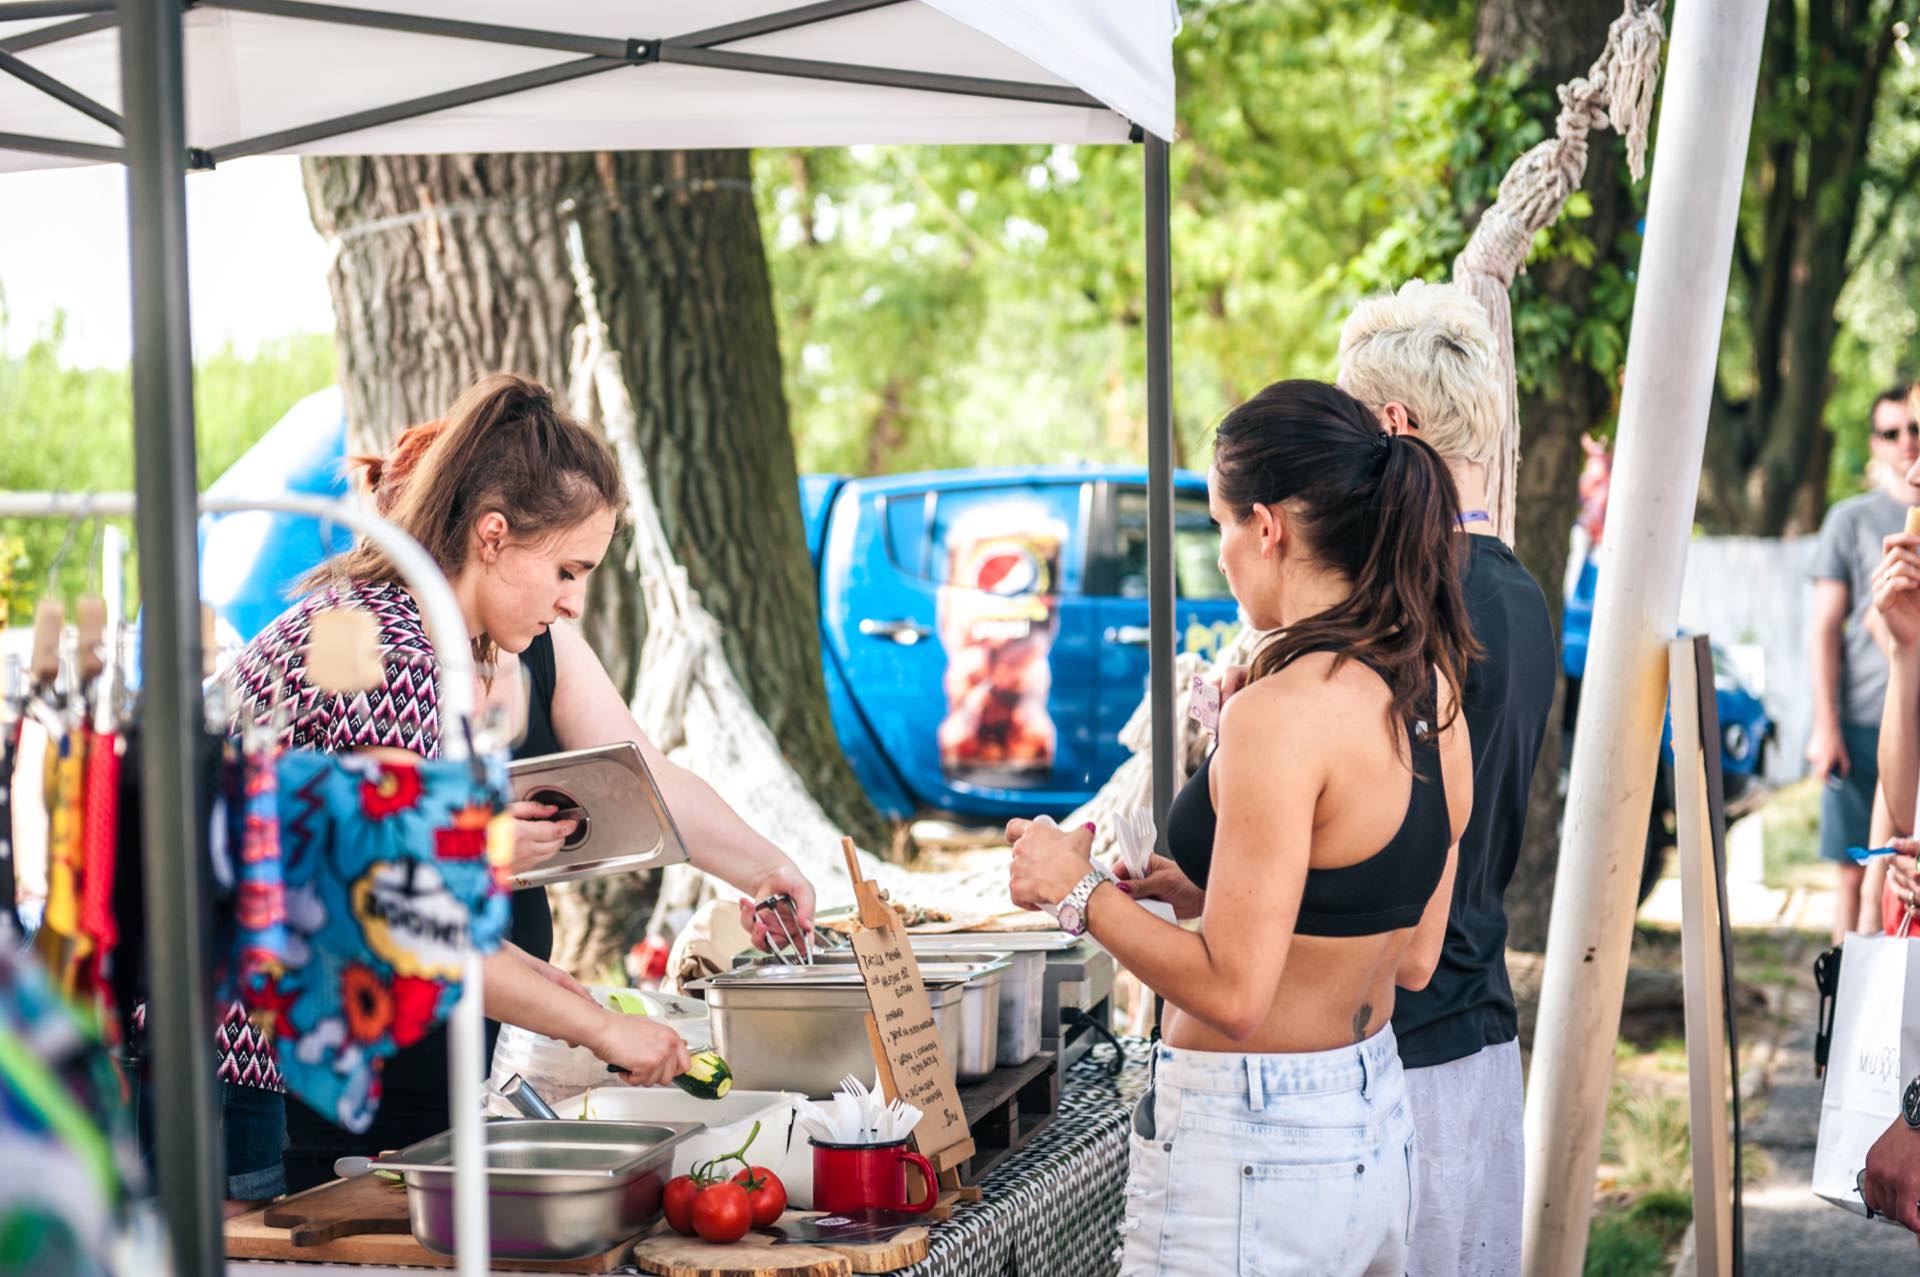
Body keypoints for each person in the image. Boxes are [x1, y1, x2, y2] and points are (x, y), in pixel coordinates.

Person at [227, 373, 818, 1190]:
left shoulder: (429, 629)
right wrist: (605, 1030)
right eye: (568, 571)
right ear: (494, 536)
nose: (575, 604)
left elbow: (635, 781)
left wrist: (763, 868)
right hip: (242, 1073)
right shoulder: (385, 649)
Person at [1007, 379, 1474, 1277]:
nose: (1219, 557)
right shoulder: (1432, 690)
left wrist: (1074, 889)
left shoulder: (1281, 712)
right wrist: (1208, 891)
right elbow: (1409, 951)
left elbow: (1234, 993)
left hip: (1254, 1142)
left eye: (1220, 526)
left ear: (1269, 527)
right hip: (1372, 1119)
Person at [1333, 279, 1556, 1276]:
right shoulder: (1522, 594)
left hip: (1393, 1043)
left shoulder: (1405, 607)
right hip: (1481, 1034)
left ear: (1392, 423)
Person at [1811, 383, 1919, 942]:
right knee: (1856, 874)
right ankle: (1846, 1002)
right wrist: (1825, 725)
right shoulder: (1850, 519)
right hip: (1862, 722)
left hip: (1908, 716)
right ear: (1874, 443)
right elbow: (1826, 628)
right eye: (1893, 432)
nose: (1907, 444)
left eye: (1916, 430)